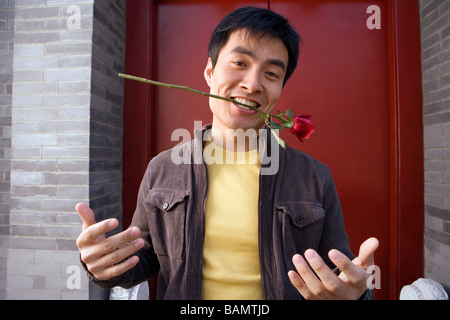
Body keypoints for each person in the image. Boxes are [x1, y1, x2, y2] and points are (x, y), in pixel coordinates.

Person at [76, 6, 379, 300]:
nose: (252, 84)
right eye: (240, 63)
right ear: (209, 71)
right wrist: (104, 265)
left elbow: (337, 273)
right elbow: (145, 257)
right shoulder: (163, 168)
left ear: (280, 90)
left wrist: (354, 293)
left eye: (271, 74)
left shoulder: (315, 176)